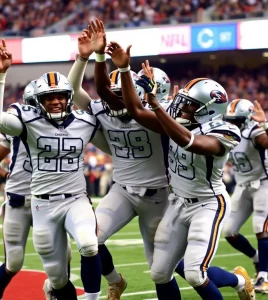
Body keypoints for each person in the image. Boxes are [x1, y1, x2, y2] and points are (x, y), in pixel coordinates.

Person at [105, 41, 255, 300]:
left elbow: (192, 142)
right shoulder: (177, 121)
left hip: (208, 204)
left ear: (209, 110)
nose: (181, 109)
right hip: (177, 202)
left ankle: (240, 281)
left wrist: (157, 106)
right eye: (182, 103)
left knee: (196, 273)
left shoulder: (225, 130)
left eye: (188, 105)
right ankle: (240, 280)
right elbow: (135, 110)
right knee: (160, 273)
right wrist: (125, 69)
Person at [0, 40, 111, 300]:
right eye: (48, 98)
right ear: (38, 102)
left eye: (60, 97)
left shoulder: (85, 121)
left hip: (76, 199)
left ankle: (93, 298)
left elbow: (115, 146)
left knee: (88, 244)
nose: (55, 102)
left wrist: (85, 57)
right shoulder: (27, 122)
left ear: (69, 98)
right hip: (40, 204)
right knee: (56, 277)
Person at [67, 20, 172, 300]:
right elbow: (73, 90)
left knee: (166, 267)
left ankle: (235, 281)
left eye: (120, 94)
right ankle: (115, 281)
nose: (114, 100)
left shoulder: (155, 115)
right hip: (122, 190)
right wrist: (89, 56)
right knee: (89, 239)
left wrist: (122, 68)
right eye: (111, 95)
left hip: (159, 195)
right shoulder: (103, 110)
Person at [223, 98, 268, 294]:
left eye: (237, 121)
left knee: (261, 227)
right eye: (230, 120)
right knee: (229, 231)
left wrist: (264, 124)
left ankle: (265, 277)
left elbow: (265, 142)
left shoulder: (254, 131)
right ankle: (257, 258)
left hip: (263, 184)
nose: (232, 124)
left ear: (248, 119)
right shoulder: (227, 134)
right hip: (242, 186)